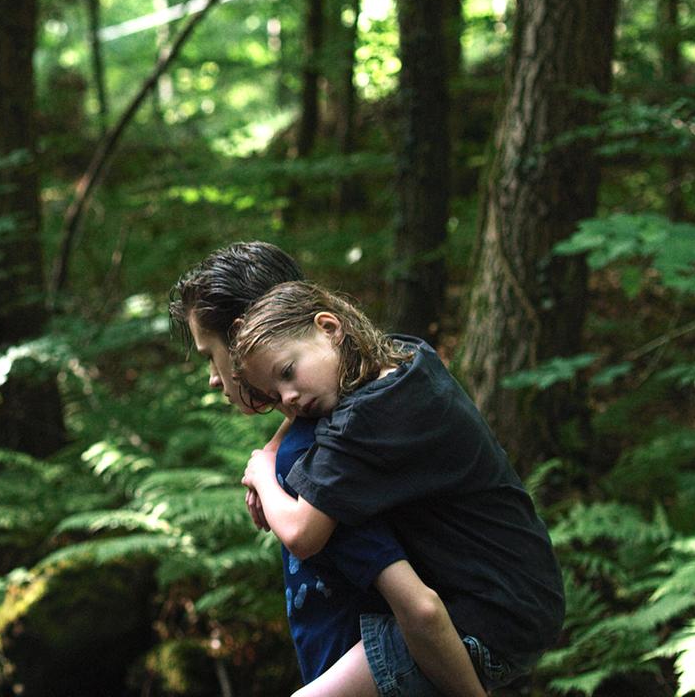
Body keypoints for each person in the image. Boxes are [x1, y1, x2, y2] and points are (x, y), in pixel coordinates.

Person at [170, 242, 485, 697]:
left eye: (209, 355)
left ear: (244, 341)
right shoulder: (360, 406)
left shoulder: (324, 462)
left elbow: (415, 604)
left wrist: (270, 465)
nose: (214, 378)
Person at [231, 280, 566, 695]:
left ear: (330, 327)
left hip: (488, 618)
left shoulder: (363, 423)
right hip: (530, 593)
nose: (290, 399)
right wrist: (276, 442)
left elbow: (302, 534)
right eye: (275, 396)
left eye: (287, 373)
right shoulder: (407, 360)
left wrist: (263, 472)